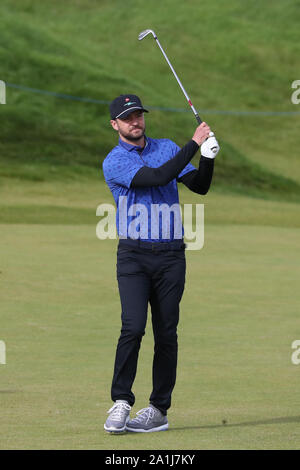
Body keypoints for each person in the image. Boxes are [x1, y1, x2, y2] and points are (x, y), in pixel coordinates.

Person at [102, 94, 219, 433]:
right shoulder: (114, 161)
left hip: (171, 256)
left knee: (166, 333)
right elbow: (155, 177)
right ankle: (121, 401)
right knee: (133, 327)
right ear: (115, 124)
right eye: (127, 118)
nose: (135, 122)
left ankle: (158, 410)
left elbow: (199, 187)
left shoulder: (166, 146)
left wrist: (207, 158)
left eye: (138, 116)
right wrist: (194, 144)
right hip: (134, 257)